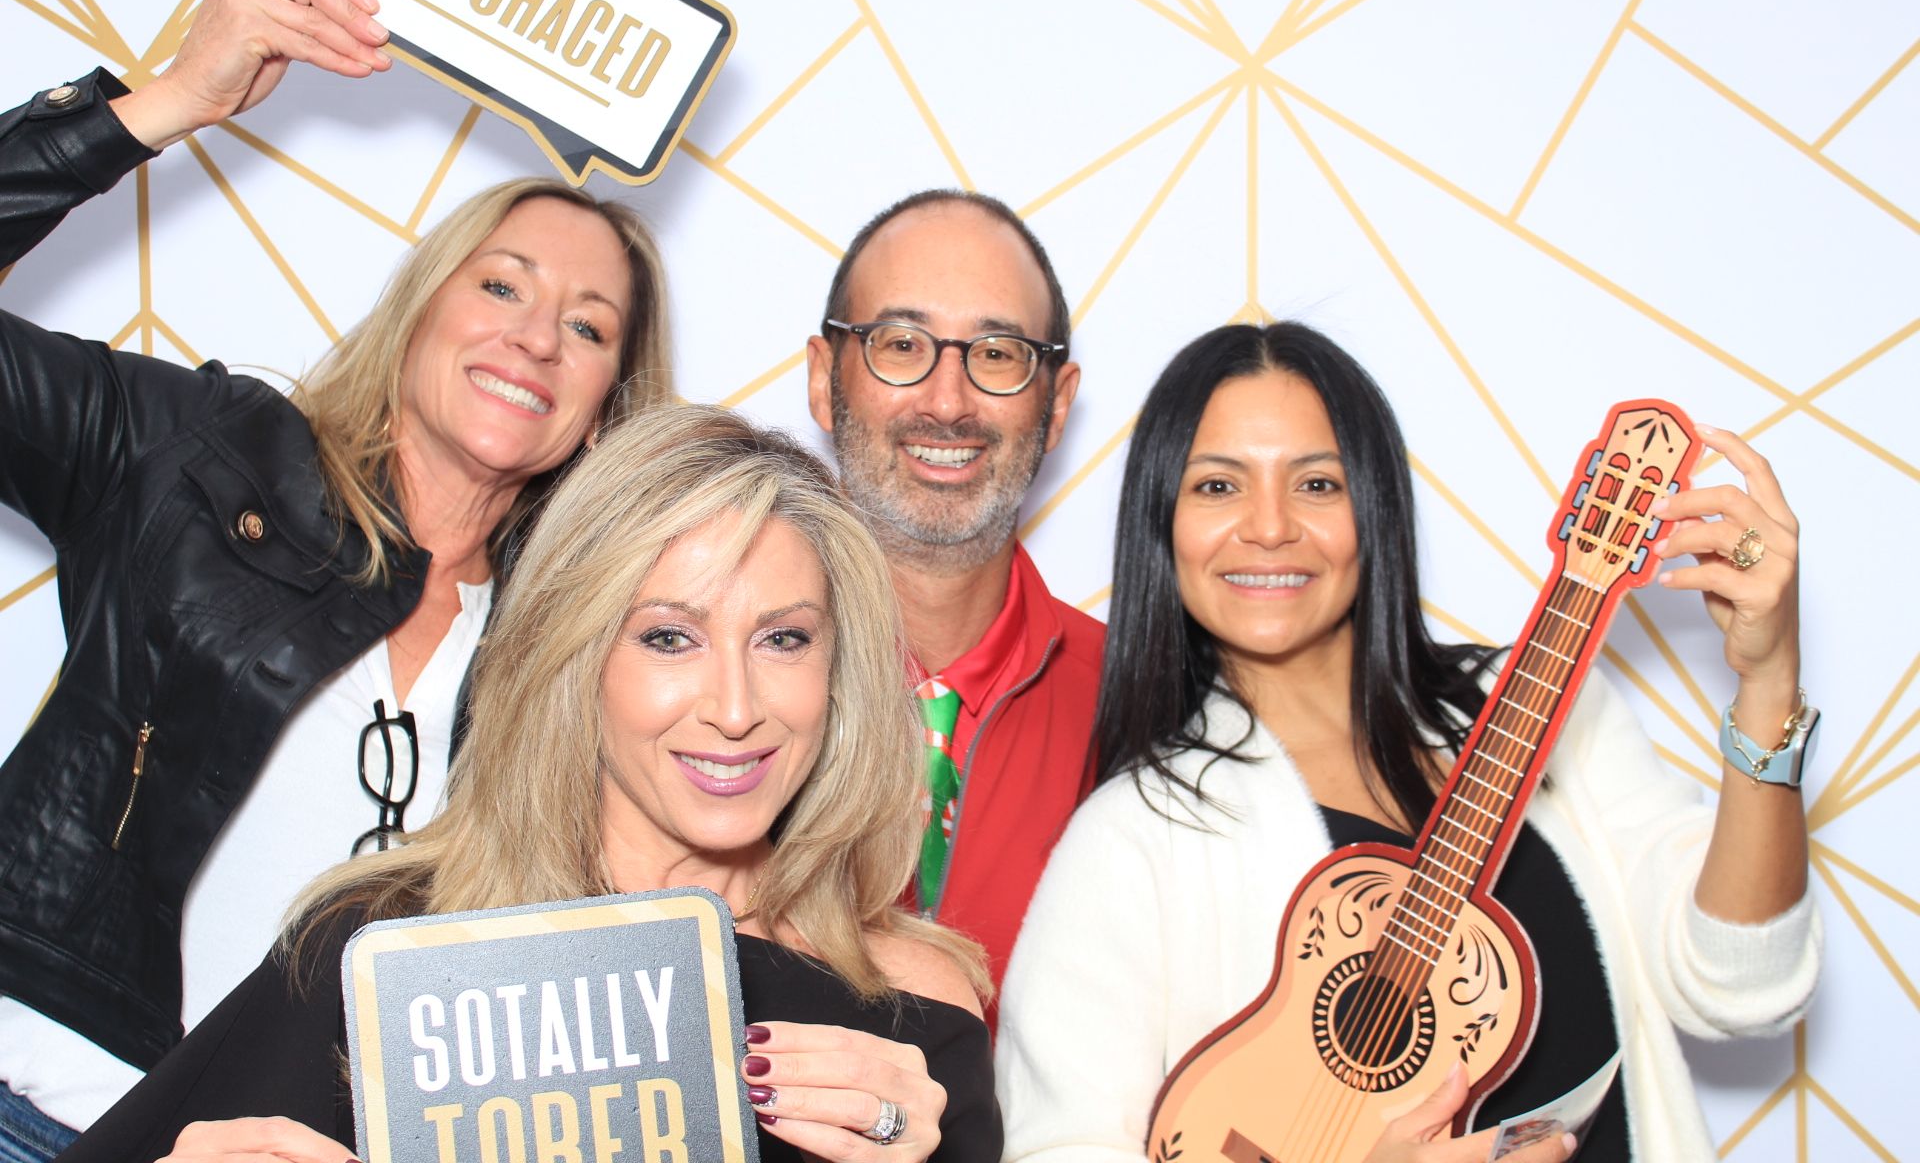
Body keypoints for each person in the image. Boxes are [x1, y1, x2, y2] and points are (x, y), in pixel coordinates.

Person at [0, 0, 671, 1154]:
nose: (536, 337)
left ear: (604, 405)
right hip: (35, 1108)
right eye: (501, 285)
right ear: (419, 309)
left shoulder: (575, 651)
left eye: (587, 325)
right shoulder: (202, 456)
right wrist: (166, 100)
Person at [60, 405, 1000, 1163]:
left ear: (838, 673)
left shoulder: (914, 1019)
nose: (735, 706)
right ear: (573, 660)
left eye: (783, 639)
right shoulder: (383, 955)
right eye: (669, 637)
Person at [996, 323, 1820, 1160]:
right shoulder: (1133, 837)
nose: (1270, 527)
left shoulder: (1553, 709)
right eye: (1218, 486)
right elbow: (1057, 1149)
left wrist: (1768, 682)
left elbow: (1743, 986)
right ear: (1162, 520)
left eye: (1317, 483)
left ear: (1375, 508)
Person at [805, 191, 1103, 1009]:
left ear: (1057, 404)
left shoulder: (1144, 708)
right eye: (901, 344)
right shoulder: (710, 688)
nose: (947, 402)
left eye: (998, 354)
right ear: (824, 380)